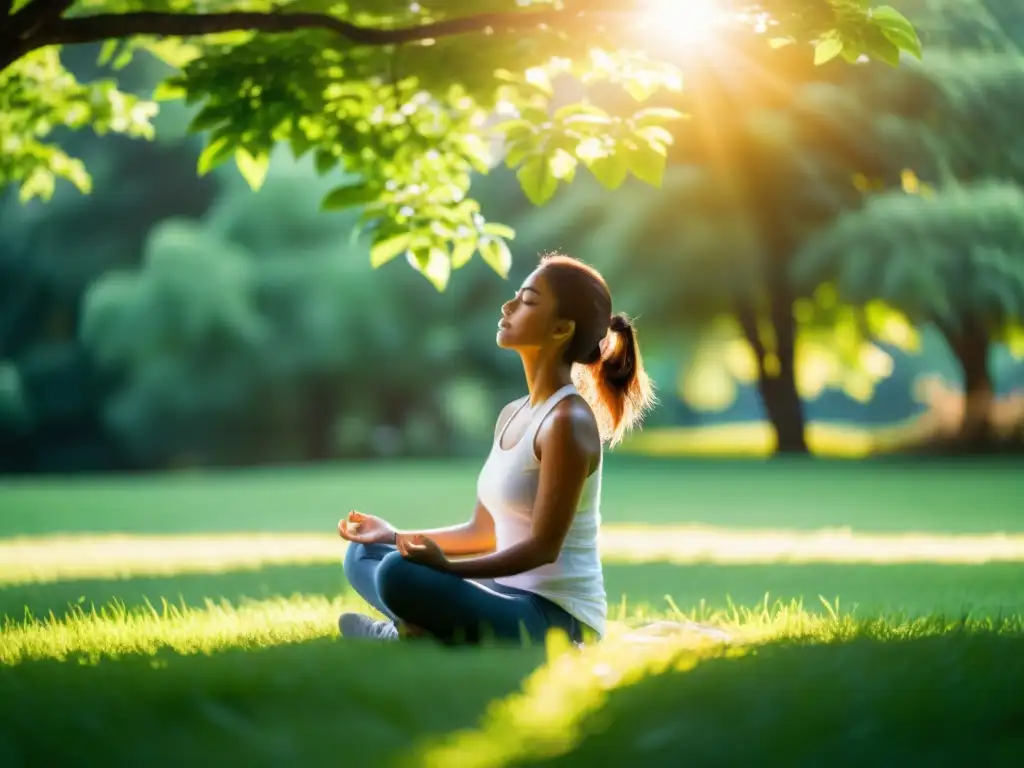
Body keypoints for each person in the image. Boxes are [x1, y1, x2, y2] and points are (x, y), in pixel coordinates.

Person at [336, 252, 655, 646]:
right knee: (364, 556)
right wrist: (395, 534)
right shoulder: (511, 414)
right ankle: (420, 627)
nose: (508, 306)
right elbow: (482, 531)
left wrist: (448, 569)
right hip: (501, 592)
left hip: (554, 618)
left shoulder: (567, 423)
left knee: (396, 575)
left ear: (560, 329)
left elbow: (542, 549)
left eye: (528, 301)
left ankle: (408, 629)